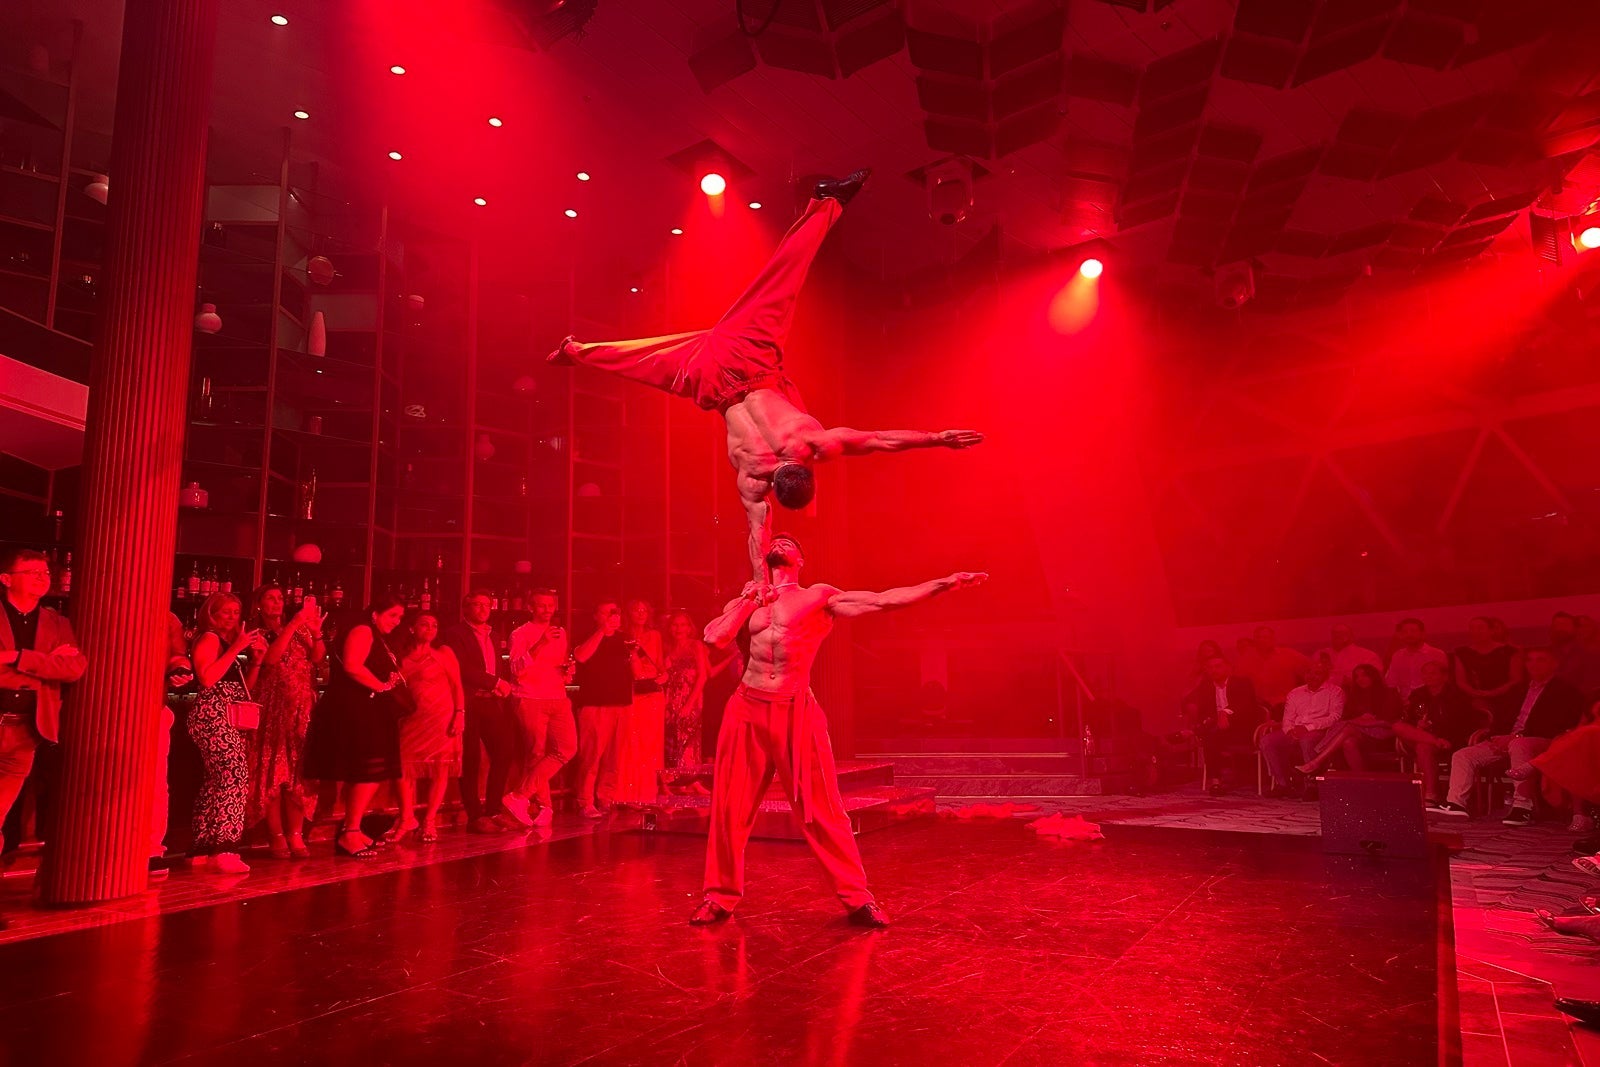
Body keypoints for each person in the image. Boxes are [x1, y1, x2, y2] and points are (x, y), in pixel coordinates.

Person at [548, 172, 984, 579]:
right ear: (777, 484)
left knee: (782, 279)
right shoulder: (754, 479)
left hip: (748, 360)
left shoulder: (811, 444)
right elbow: (758, 534)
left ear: (806, 468)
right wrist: (760, 582)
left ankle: (828, 201)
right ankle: (576, 351)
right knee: (643, 363)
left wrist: (938, 438)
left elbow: (877, 441)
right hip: (710, 382)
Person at [688, 532, 987, 928]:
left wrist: (943, 583)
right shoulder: (749, 601)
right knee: (729, 808)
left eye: (789, 541)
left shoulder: (818, 597)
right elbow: (713, 637)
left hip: (795, 708)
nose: (780, 541)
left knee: (823, 811)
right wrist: (747, 600)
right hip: (746, 707)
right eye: (775, 540)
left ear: (801, 560)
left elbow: (883, 599)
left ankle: (856, 897)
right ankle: (719, 897)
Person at [0, 549, 86, 874]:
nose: (42, 575)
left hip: (26, 730)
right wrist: (45, 663)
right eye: (31, 571)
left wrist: (16, 656)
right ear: (6, 579)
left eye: (45, 571)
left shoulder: (57, 622)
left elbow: (75, 668)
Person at [1430, 646, 1584, 822]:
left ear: (1554, 664)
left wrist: (1516, 737)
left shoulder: (1565, 690)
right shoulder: (1518, 690)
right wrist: (1495, 735)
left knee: (1519, 745)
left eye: (1540, 660)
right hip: (1511, 739)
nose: (1533, 665)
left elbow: (1558, 725)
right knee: (1463, 755)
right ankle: (1456, 804)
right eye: (1530, 660)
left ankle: (1523, 806)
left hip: (1543, 741)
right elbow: (1504, 717)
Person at [304, 596, 407, 858]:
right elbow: (352, 666)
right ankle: (350, 832)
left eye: (400, 618)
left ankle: (353, 828)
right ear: (375, 613)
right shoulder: (362, 630)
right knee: (367, 771)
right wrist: (381, 687)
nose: (397, 622)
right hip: (356, 709)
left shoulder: (374, 634)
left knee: (370, 772)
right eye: (393, 615)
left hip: (366, 708)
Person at [187, 592, 267, 874]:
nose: (232, 617)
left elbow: (246, 689)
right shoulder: (209, 638)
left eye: (236, 612)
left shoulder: (227, 644)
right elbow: (207, 678)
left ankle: (202, 848)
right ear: (211, 613)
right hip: (213, 713)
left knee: (217, 780)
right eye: (226, 612)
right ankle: (225, 849)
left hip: (228, 714)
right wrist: (237, 648)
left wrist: (256, 659)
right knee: (234, 775)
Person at [246, 584, 324, 860]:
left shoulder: (301, 630)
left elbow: (317, 658)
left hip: (301, 704)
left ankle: (296, 833)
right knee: (273, 771)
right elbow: (271, 659)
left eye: (280, 598)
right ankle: (276, 835)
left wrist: (316, 633)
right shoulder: (257, 633)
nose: (277, 603)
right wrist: (293, 624)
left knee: (298, 774)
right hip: (272, 706)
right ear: (259, 604)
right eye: (270, 598)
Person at [441, 591, 515, 833]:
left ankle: (493, 810)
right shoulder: (454, 634)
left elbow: (497, 664)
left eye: (487, 604)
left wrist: (501, 685)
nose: (483, 609)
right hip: (468, 701)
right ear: (466, 609)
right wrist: (495, 683)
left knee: (504, 750)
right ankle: (474, 815)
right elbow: (461, 667)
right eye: (477, 605)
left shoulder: (494, 635)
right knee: (470, 759)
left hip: (491, 702)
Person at [502, 589, 575, 828]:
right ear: (530, 608)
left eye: (550, 605)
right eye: (541, 605)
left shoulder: (561, 633)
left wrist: (566, 671)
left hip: (557, 695)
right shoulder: (520, 633)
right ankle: (545, 808)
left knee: (566, 748)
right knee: (536, 753)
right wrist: (541, 643)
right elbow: (516, 668)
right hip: (530, 697)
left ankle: (519, 797)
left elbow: (556, 665)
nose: (547, 610)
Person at [395, 613, 465, 842]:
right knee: (404, 768)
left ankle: (429, 821)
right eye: (424, 624)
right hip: (411, 719)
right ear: (412, 628)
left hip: (441, 717)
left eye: (435, 625)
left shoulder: (443, 653)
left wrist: (459, 715)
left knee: (440, 769)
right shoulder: (400, 657)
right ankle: (407, 818)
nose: (431, 628)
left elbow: (457, 686)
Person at [571, 602, 633, 818]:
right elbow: (581, 656)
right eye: (608, 612)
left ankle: (606, 798)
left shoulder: (626, 639)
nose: (614, 616)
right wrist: (602, 631)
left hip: (621, 705)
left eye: (617, 612)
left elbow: (639, 668)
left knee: (614, 758)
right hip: (595, 705)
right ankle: (585, 801)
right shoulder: (587, 635)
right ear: (597, 615)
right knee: (591, 757)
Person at [1258, 653, 1344, 797]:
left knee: (1307, 740)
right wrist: (1289, 730)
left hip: (1320, 730)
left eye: (1317, 673)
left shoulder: (1335, 692)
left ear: (1325, 675)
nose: (1312, 676)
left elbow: (1335, 717)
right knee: (1267, 740)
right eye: (1309, 672)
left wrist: (1308, 728)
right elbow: (1288, 718)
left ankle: (1312, 784)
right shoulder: (1295, 693)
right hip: (1295, 729)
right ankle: (1283, 784)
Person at [1295, 663, 1402, 775]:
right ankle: (1362, 780)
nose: (1360, 679)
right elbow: (1346, 717)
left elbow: (1391, 721)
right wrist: (1360, 720)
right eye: (1357, 677)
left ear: (1373, 676)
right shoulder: (1355, 696)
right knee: (1348, 742)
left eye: (1364, 675)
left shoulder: (1389, 693)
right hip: (1361, 735)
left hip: (1383, 735)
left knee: (1349, 726)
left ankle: (1316, 761)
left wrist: (1365, 722)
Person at [1398, 660, 1477, 806]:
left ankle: (1431, 794)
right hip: (1422, 735)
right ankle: (1433, 741)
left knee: (1423, 747)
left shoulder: (1456, 695)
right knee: (1398, 727)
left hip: (1447, 738)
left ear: (1444, 676)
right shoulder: (1418, 694)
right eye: (1425, 673)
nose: (1429, 676)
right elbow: (1410, 717)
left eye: (1433, 673)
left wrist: (1435, 727)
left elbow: (1462, 723)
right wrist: (1418, 723)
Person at [1180, 655, 1261, 795]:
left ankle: (1194, 732)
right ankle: (1216, 781)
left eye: (1218, 666)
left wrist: (1226, 712)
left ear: (1228, 668)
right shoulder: (1206, 686)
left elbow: (1246, 706)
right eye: (1210, 668)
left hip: (1241, 728)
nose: (1214, 670)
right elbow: (1195, 703)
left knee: (1209, 735)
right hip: (1217, 729)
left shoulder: (1242, 683)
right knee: (1211, 736)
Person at [614, 599, 666, 807]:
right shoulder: (621, 636)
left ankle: (646, 793)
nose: (641, 613)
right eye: (636, 610)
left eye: (644, 610)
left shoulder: (655, 635)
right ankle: (626, 793)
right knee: (630, 741)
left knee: (650, 743)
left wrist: (664, 676)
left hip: (652, 691)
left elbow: (659, 663)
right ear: (629, 613)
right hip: (632, 692)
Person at [662, 610, 710, 792]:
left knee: (689, 739)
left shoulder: (695, 645)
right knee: (672, 739)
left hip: (691, 697)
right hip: (670, 698)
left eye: (683, 625)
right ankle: (677, 780)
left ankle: (692, 780)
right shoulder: (668, 648)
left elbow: (703, 676)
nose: (679, 628)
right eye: (675, 625)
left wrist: (689, 703)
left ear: (690, 628)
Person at [1454, 616, 1521, 731]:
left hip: (1506, 697)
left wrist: (1493, 692)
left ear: (1491, 630)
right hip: (1474, 697)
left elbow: (1516, 678)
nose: (1476, 631)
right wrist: (1477, 693)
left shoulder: (1510, 651)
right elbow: (1460, 681)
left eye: (1480, 628)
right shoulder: (1462, 652)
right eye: (1472, 628)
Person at [1237, 626, 1309, 715]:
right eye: (1258, 637)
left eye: (1265, 637)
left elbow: (1311, 670)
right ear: (1254, 640)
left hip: (1287, 705)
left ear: (1273, 639)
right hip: (1259, 708)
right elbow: (1239, 686)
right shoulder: (1245, 660)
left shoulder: (1289, 655)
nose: (1262, 640)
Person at [1385, 617, 1448, 701]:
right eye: (1405, 632)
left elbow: (1444, 682)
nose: (1409, 634)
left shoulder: (1436, 654)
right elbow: (1391, 683)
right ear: (1400, 635)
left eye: (1413, 631)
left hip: (1430, 700)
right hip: (1404, 701)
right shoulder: (1397, 656)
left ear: (1422, 633)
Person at [1317, 624, 1383, 688]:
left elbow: (1377, 679)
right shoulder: (1320, 654)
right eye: (1335, 633)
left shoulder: (1368, 655)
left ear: (1352, 636)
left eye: (1343, 633)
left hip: (1356, 694)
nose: (1338, 635)